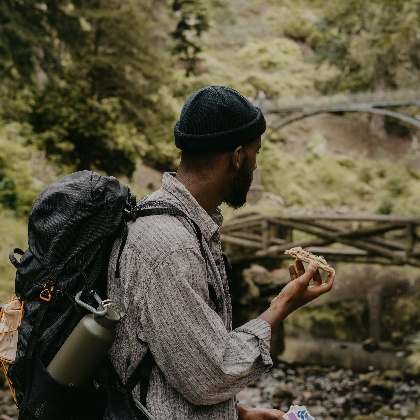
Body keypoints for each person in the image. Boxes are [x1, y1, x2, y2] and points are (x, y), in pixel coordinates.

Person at [107, 85, 335, 419]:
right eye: (255, 154)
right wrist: (282, 304)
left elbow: (176, 355)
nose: (256, 167)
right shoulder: (171, 245)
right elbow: (209, 376)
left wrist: (239, 413)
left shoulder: (181, 222)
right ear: (238, 156)